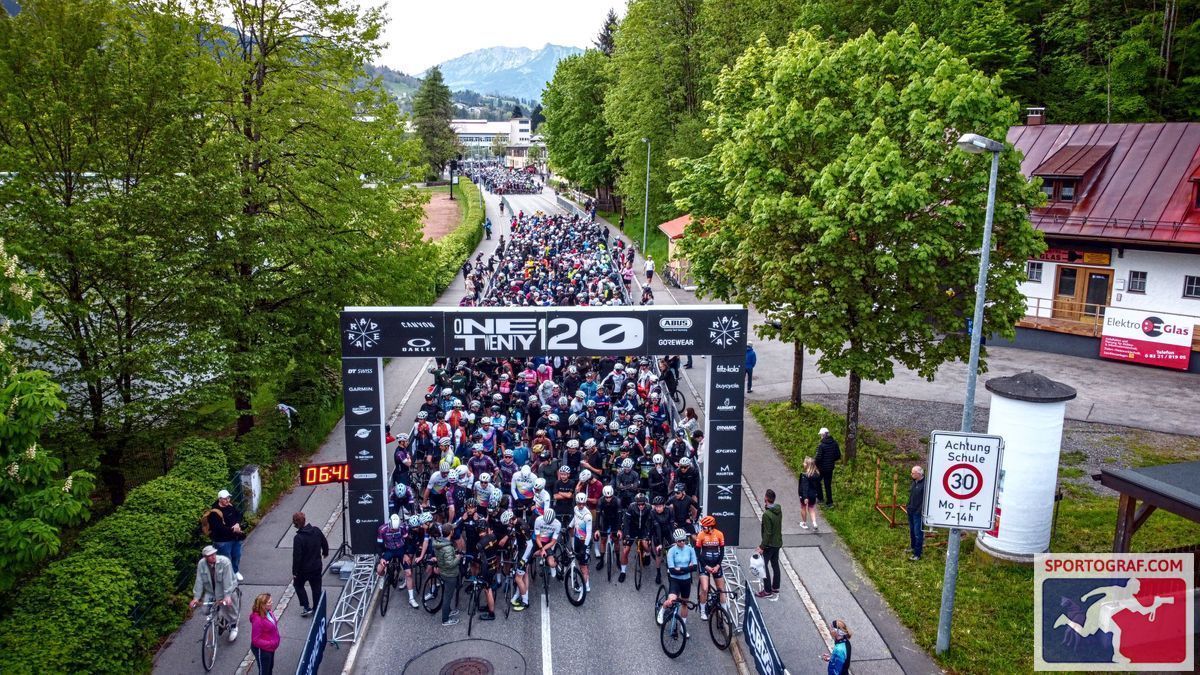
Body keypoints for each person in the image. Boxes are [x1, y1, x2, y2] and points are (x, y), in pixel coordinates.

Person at [190, 545, 241, 642]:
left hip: (226, 590)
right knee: (205, 610)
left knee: (230, 608)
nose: (213, 556)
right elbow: (199, 580)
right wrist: (196, 598)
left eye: (214, 554)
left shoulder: (224, 562)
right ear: (205, 557)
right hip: (211, 591)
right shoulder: (201, 564)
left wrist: (227, 596)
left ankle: (233, 625)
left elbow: (228, 580)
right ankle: (219, 618)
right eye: (210, 555)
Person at [657, 528, 697, 637]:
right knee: (671, 601)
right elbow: (672, 570)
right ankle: (662, 610)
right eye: (679, 541)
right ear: (676, 541)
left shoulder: (690, 549)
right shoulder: (671, 551)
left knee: (684, 603)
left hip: (686, 581)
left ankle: (683, 628)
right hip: (675, 580)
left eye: (684, 540)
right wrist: (687, 568)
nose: (682, 542)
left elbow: (695, 567)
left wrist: (681, 569)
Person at [293, 512, 329, 617]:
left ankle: (306, 606)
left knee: (298, 585)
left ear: (295, 524)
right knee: (316, 587)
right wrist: (325, 552)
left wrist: (295, 572)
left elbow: (297, 557)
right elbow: (324, 542)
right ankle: (316, 608)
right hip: (316, 566)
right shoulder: (316, 530)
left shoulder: (298, 538)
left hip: (303, 570)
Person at [206, 488, 246, 580]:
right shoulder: (214, 513)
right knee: (225, 559)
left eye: (228, 498)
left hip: (235, 537)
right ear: (220, 499)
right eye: (225, 499)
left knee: (237, 555)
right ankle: (227, 576)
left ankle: (235, 571)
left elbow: (239, 515)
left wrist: (237, 524)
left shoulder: (230, 506)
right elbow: (219, 528)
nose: (227, 500)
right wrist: (234, 529)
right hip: (222, 541)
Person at [694, 515, 726, 620]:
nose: (702, 528)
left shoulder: (719, 534)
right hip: (704, 564)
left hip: (716, 563)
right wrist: (705, 566)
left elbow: (722, 552)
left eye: (704, 527)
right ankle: (703, 611)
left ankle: (724, 612)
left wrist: (718, 565)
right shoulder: (700, 535)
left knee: (721, 589)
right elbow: (697, 553)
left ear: (711, 527)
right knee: (705, 588)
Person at [434, 523, 462, 626]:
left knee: (447, 594)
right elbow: (450, 564)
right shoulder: (448, 548)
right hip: (450, 574)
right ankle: (445, 620)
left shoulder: (439, 543)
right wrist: (458, 558)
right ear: (451, 532)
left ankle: (449, 611)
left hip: (443, 572)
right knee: (447, 597)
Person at [757, 489, 782, 599]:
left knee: (763, 565)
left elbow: (767, 532)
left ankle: (767, 590)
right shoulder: (779, 510)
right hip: (778, 542)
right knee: (775, 564)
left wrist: (762, 546)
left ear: (766, 498)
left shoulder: (767, 514)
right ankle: (775, 586)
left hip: (770, 544)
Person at [249, 593, 280, 675]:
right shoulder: (257, 620)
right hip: (263, 650)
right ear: (263, 605)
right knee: (264, 672)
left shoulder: (268, 612)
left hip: (270, 648)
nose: (272, 602)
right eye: (269, 602)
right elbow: (255, 640)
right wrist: (270, 643)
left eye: (271, 601)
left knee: (270, 667)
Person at [815, 427, 841, 507]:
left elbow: (818, 458)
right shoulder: (835, 443)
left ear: (823, 435)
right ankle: (829, 503)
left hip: (821, 468)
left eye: (821, 435)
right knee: (828, 485)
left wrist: (815, 463)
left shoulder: (821, 445)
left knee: (817, 481)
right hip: (830, 468)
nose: (820, 437)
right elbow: (838, 455)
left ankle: (820, 498)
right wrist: (831, 460)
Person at [907, 466, 925, 561]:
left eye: (913, 473)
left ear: (919, 473)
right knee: (912, 531)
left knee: (918, 533)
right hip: (911, 510)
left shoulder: (925, 484)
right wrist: (908, 506)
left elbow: (925, 500)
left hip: (918, 513)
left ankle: (917, 554)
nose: (911, 474)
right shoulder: (914, 482)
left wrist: (919, 511)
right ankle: (913, 547)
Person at [798, 457, 821, 530]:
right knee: (811, 508)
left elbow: (805, 487)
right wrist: (817, 494)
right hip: (813, 494)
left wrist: (805, 497)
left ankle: (804, 523)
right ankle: (814, 523)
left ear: (807, 465)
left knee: (803, 507)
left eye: (805, 463)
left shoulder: (805, 475)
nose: (803, 464)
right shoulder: (817, 475)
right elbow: (818, 486)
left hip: (805, 495)